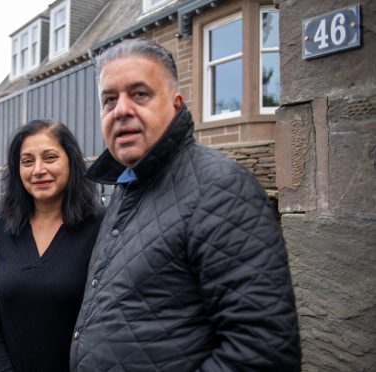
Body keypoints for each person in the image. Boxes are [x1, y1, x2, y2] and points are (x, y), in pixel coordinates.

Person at [70, 38, 301, 371]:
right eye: (109, 100)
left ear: (176, 105)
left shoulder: (221, 189)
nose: (120, 110)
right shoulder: (126, 188)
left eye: (139, 94)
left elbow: (262, 352)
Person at [0, 119, 103, 372]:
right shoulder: (0, 227)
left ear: (71, 162)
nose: (38, 170)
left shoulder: (101, 226)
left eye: (50, 157)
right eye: (27, 161)